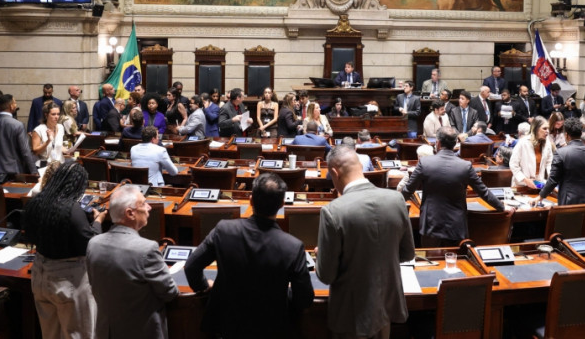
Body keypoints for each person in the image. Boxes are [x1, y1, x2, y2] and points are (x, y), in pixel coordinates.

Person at [185, 172, 314, 338]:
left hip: (226, 326)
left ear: (251, 200)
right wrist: (283, 292)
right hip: (270, 329)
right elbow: (304, 299)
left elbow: (191, 267)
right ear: (282, 204)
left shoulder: (223, 230)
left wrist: (203, 286)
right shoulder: (293, 247)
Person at [315, 144, 416, 338]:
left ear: (335, 173)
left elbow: (326, 275)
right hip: (385, 307)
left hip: (351, 315)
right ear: (360, 166)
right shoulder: (396, 200)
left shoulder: (333, 211)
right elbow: (407, 254)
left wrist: (321, 256)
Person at [23, 162, 107, 339]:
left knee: (50, 335)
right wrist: (98, 221)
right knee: (80, 335)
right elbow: (91, 245)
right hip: (67, 279)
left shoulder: (36, 202)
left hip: (39, 274)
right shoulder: (71, 209)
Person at [86, 185, 179, 339]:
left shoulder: (93, 244)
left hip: (106, 332)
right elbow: (170, 293)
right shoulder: (147, 249)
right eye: (143, 204)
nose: (149, 207)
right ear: (130, 213)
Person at [403, 127, 508, 246]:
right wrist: (502, 207)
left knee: (431, 256)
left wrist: (394, 206)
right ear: (455, 144)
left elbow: (408, 190)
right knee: (455, 257)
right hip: (456, 226)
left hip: (431, 224)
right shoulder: (465, 166)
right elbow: (483, 192)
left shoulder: (425, 163)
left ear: (438, 143)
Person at [533, 118, 585, 210]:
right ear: (581, 133)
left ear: (566, 135)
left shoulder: (561, 153)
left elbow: (553, 180)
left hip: (569, 205)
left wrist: (540, 197)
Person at [0, 94, 37, 175]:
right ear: (11, 106)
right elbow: (25, 151)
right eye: (15, 103)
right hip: (12, 171)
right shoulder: (18, 125)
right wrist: (34, 171)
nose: (16, 105)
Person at [509, 116, 555, 188]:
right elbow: (513, 165)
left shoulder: (547, 144)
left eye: (548, 128)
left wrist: (551, 177)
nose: (547, 131)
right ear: (536, 129)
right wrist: (525, 180)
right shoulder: (523, 142)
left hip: (538, 183)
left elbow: (550, 163)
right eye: (544, 128)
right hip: (521, 184)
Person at [30, 101, 64, 165]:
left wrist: (68, 150)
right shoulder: (38, 130)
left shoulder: (61, 127)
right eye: (53, 114)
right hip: (45, 165)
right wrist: (48, 141)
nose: (56, 117)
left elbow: (58, 146)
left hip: (59, 164)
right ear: (46, 115)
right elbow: (35, 152)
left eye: (58, 114)